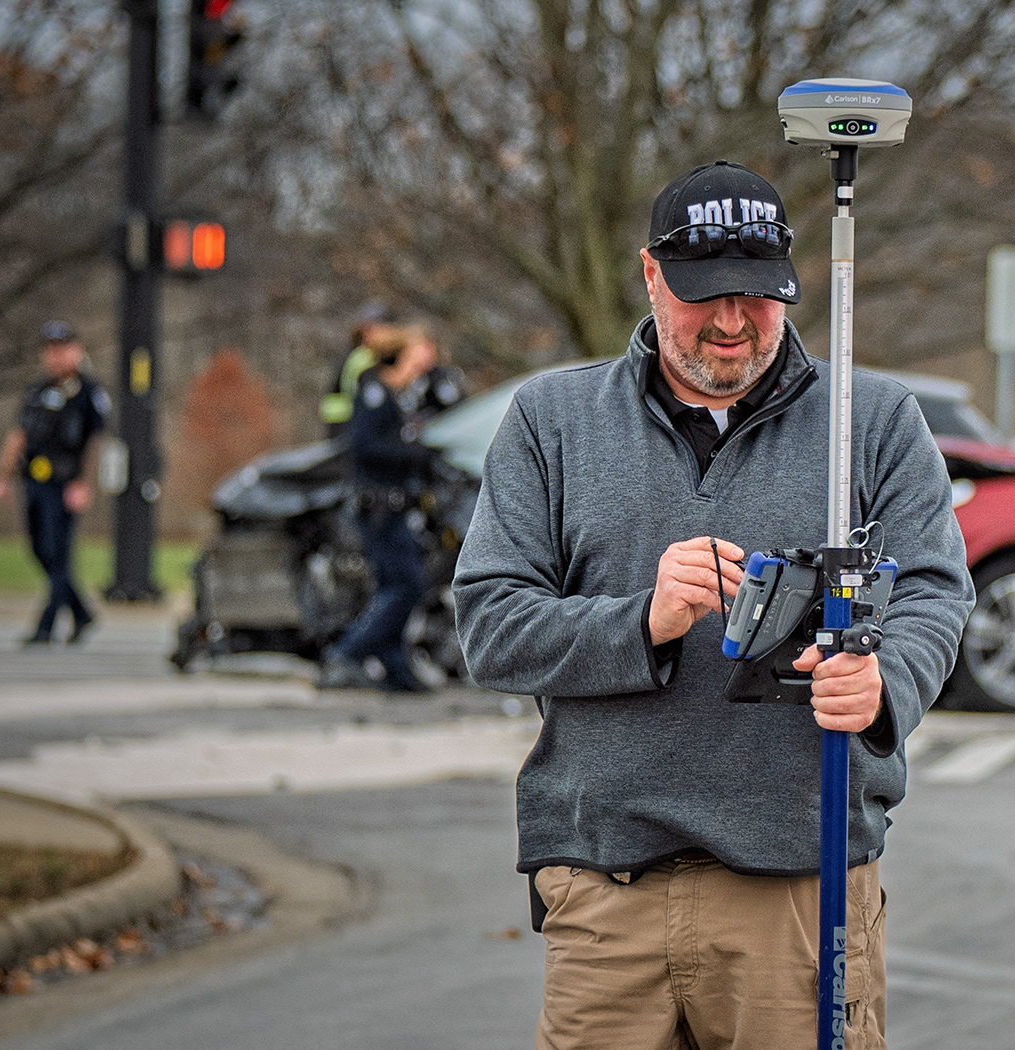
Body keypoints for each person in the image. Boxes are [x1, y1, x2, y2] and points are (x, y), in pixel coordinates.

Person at [451, 159, 972, 1050]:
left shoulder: (874, 421)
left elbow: (933, 592)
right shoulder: (552, 420)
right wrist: (640, 620)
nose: (732, 323)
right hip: (605, 888)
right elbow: (491, 626)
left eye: (758, 295)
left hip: (802, 888)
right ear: (651, 273)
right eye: (704, 294)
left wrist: (885, 683)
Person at [317, 324, 439, 692]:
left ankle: (396, 672)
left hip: (393, 505)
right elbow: (367, 446)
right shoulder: (373, 391)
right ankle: (346, 654)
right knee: (406, 586)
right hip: (379, 508)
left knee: (394, 586)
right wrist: (417, 455)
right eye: (412, 360)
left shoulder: (393, 395)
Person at [0, 321, 111, 646]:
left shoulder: (88, 392)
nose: (54, 356)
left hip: (65, 483)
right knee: (39, 550)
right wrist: (3, 475)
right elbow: (19, 435)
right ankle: (81, 612)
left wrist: (84, 483)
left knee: (58, 555)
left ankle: (45, 626)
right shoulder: (37, 391)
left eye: (61, 349)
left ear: (76, 351)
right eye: (50, 350)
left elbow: (96, 442)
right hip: (34, 481)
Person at [320, 301, 399, 437]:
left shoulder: (357, 353)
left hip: (349, 424)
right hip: (346, 425)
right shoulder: (363, 357)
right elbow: (362, 392)